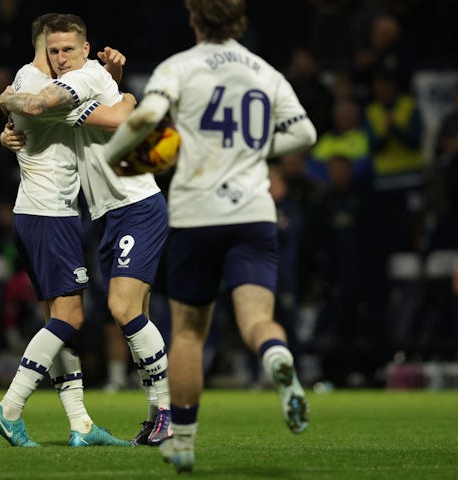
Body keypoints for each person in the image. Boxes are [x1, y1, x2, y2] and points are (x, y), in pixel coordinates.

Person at [104, 0, 317, 472]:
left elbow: (143, 119)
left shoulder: (179, 66)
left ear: (194, 18)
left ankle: (182, 443)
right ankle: (277, 357)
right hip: (255, 213)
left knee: (187, 333)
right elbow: (304, 133)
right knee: (257, 319)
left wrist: (114, 155)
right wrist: (253, 149)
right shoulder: (265, 71)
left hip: (198, 214)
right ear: (239, 21)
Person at [0, 13, 173, 447]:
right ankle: (153, 417)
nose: (60, 59)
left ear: (85, 48)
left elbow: (118, 118)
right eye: (54, 51)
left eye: (68, 50)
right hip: (103, 212)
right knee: (131, 313)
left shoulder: (83, 78)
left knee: (121, 307)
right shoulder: (83, 78)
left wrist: (9, 99)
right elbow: (117, 107)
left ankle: (169, 412)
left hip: (136, 203)